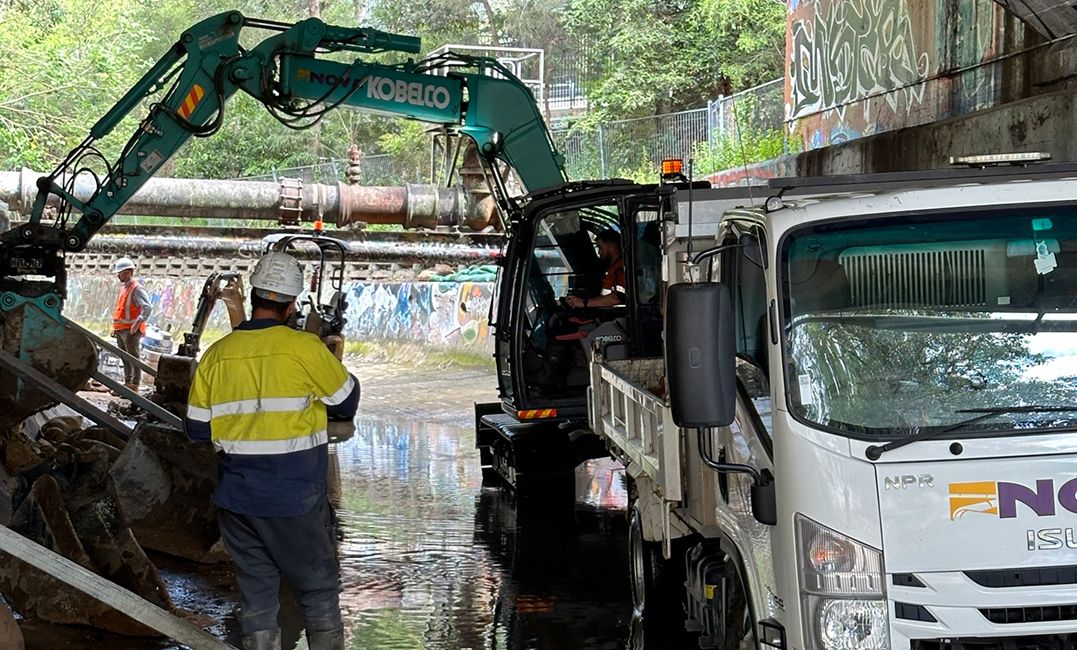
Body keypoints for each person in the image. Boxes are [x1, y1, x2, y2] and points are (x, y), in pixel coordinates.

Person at [185, 252, 360, 650]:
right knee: (317, 590)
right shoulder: (304, 349)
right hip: (294, 497)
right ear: (292, 303)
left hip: (237, 501)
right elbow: (346, 402)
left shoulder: (217, 355)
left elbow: (196, 431)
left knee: (257, 596)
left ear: (253, 296)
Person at [111, 257, 152, 390]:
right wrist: (115, 328)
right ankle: (127, 383)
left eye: (120, 272)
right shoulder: (125, 288)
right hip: (121, 329)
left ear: (128, 272)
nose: (118, 275)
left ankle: (135, 385)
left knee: (133, 358)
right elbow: (121, 310)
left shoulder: (136, 289)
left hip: (130, 330)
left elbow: (147, 307)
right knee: (125, 357)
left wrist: (137, 323)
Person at [562, 228, 626, 310]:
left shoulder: (621, 268)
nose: (599, 252)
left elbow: (617, 298)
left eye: (600, 247)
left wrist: (583, 302)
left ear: (611, 245)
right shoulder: (612, 267)